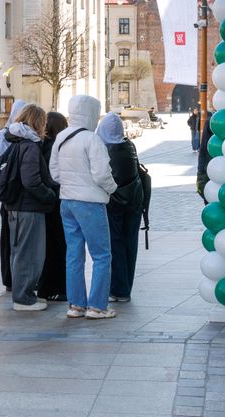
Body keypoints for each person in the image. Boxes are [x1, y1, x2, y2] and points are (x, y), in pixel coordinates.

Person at [50, 95, 119, 320]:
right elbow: (101, 174)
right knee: (101, 255)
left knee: (74, 254)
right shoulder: (92, 139)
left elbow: (55, 172)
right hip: (90, 202)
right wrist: (112, 188)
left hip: (67, 201)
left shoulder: (61, 137)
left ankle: (76, 305)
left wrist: (70, 185)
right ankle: (97, 306)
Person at [2, 104, 59, 312]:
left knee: (19, 252)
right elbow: (31, 181)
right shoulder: (31, 145)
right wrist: (49, 195)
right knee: (30, 253)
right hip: (29, 207)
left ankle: (22, 294)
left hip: (16, 206)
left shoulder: (16, 140)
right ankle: (23, 298)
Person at [97, 112, 144, 303]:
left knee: (114, 245)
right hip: (133, 201)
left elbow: (102, 177)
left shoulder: (105, 149)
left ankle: (118, 289)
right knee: (129, 245)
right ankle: (125, 289)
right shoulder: (128, 145)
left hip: (114, 203)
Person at [0, 100, 28, 292]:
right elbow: (0, 163)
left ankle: (17, 277)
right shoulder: (4, 136)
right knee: (9, 237)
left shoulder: (24, 136)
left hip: (14, 190)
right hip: (10, 190)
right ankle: (9, 277)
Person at [37, 111, 69, 302]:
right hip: (58, 201)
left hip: (49, 203)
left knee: (50, 247)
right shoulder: (59, 148)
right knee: (59, 246)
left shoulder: (44, 146)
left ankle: (48, 286)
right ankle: (55, 287)